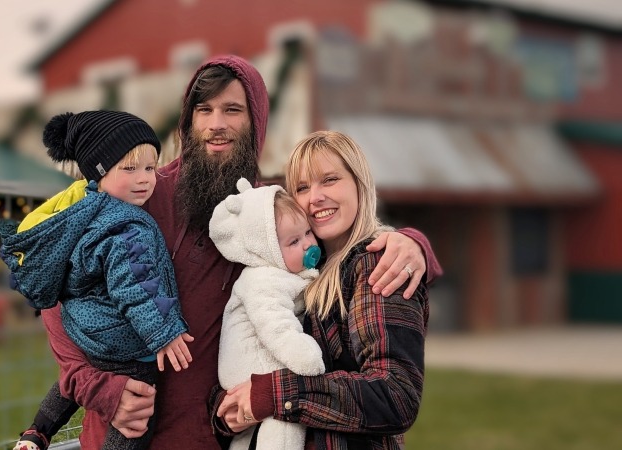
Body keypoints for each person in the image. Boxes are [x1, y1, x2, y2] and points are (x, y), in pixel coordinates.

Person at [32, 55, 442, 449]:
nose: (216, 125)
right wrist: (100, 388)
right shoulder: (138, 193)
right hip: (119, 432)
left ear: (256, 122)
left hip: (212, 437)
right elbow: (57, 295)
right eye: (204, 110)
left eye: (233, 110)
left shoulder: (266, 212)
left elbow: (330, 216)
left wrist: (413, 243)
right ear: (187, 121)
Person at [215, 131, 430, 449]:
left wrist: (274, 394)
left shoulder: (377, 264)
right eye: (302, 187)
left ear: (359, 183)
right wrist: (229, 411)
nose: (314, 197)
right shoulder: (299, 271)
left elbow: (395, 394)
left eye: (329, 180)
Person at [0, 110, 193, 450]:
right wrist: (163, 332)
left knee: (69, 383)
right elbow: (134, 283)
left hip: (86, 333)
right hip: (126, 347)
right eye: (129, 169)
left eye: (150, 167)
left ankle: (36, 433)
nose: (144, 179)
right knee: (137, 420)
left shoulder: (81, 208)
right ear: (100, 172)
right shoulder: (126, 226)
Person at [210, 178, 326, 450]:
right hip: (251, 365)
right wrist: (305, 356)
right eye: (294, 241)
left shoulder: (285, 271)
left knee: (243, 438)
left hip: (253, 367)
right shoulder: (264, 281)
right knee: (285, 420)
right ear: (268, 250)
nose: (308, 245)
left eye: (308, 233)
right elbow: (275, 325)